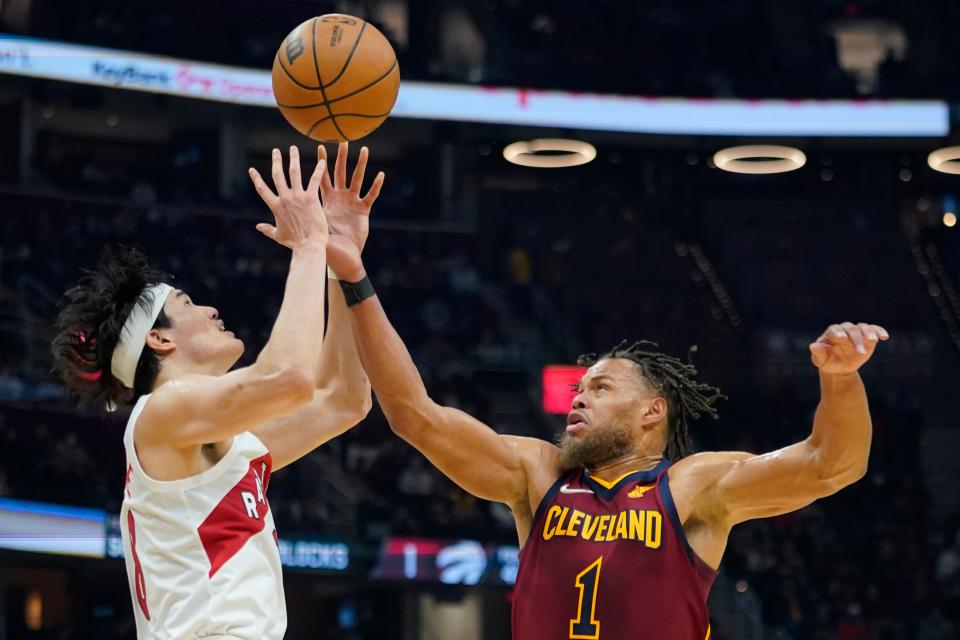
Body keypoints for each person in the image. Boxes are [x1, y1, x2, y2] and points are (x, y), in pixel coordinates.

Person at [319, 143, 891, 640]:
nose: (578, 397)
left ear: (652, 411)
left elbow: (831, 465)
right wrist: (353, 275)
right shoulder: (537, 475)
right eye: (579, 388)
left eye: (600, 386)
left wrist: (839, 381)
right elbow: (415, 415)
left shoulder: (693, 487)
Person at [50, 145, 378, 640]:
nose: (210, 310)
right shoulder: (161, 412)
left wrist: (343, 267)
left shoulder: (229, 443)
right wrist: (309, 243)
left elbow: (344, 400)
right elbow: (289, 377)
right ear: (159, 339)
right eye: (187, 303)